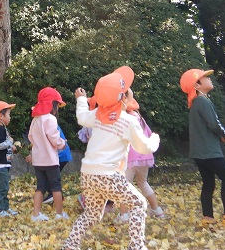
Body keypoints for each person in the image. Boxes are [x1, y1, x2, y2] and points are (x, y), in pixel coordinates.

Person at [63, 66, 160, 250]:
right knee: (139, 204)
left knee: (92, 214)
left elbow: (82, 117)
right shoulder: (128, 121)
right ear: (123, 98)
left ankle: (70, 245)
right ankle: (136, 247)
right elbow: (143, 147)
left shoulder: (98, 115)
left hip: (88, 174)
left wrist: (81, 99)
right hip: (108, 175)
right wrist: (154, 139)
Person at [180, 68, 225, 226]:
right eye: (204, 77)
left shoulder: (196, 103)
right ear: (197, 85)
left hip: (199, 153)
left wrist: (222, 134)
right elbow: (214, 123)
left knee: (209, 183)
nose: (209, 79)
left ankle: (208, 217)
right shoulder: (203, 101)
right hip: (210, 152)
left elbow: (207, 127)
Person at [116, 90, 166, 222]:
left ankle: (124, 215)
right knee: (143, 182)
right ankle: (157, 210)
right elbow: (149, 135)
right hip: (144, 157)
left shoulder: (124, 119)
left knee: (124, 185)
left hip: (129, 158)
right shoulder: (141, 120)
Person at [28, 86, 68, 221]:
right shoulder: (50, 119)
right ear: (52, 105)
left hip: (38, 160)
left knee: (40, 187)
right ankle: (59, 214)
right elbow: (55, 138)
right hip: (50, 160)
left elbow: (30, 137)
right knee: (56, 187)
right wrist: (63, 144)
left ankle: (36, 214)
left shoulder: (36, 119)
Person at [0, 100, 18, 217]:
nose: (10, 117)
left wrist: (11, 146)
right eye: (8, 114)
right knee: (2, 189)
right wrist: (10, 142)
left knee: (5, 188)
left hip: (3, 164)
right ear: (0, 116)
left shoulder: (0, 129)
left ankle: (6, 208)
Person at [42, 124, 72, 205]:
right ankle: (58, 197)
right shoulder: (51, 123)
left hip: (60, 155)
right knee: (53, 176)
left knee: (51, 176)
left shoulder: (50, 124)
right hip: (62, 154)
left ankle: (52, 195)